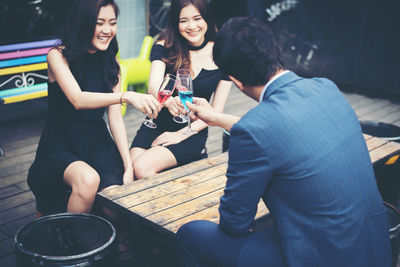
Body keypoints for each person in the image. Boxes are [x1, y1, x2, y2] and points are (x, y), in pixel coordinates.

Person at [177, 17, 392, 266]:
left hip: (321, 256)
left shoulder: (255, 130)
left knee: (191, 233)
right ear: (275, 50)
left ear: (235, 81)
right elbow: (284, 130)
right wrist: (217, 118)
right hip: (374, 248)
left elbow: (235, 222)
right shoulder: (326, 88)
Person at [27, 0, 160, 216]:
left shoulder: (111, 60)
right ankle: (71, 244)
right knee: (88, 180)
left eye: (112, 23)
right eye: (99, 23)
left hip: (97, 143)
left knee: (116, 205)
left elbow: (115, 120)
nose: (107, 30)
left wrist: (127, 165)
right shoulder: (58, 55)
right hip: (60, 143)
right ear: (84, 23)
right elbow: (77, 99)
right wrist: (125, 96)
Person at [130, 0, 232, 179]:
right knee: (131, 170)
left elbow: (216, 111)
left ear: (206, 19)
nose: (191, 26)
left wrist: (181, 135)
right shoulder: (164, 46)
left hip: (192, 129)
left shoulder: (223, 54)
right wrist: (167, 101)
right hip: (155, 123)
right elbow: (153, 87)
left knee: (142, 168)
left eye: (197, 18)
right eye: (183, 20)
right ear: (175, 23)